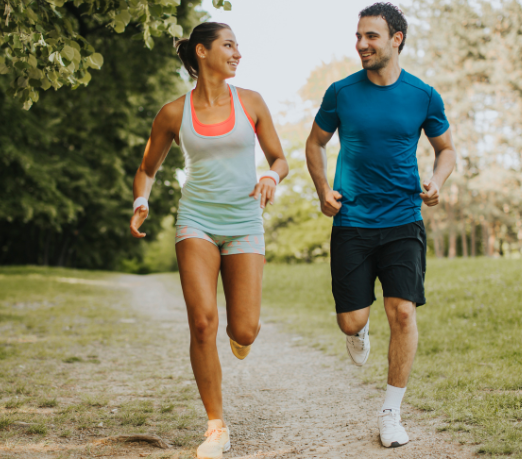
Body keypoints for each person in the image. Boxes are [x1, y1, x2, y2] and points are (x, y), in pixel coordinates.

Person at [129, 22, 288, 459]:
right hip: (196, 220)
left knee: (244, 329)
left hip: (244, 221)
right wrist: (141, 199)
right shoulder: (173, 113)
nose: (238, 53)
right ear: (202, 52)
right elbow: (147, 167)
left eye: (238, 46)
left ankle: (242, 335)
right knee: (202, 322)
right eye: (229, 45)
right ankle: (216, 426)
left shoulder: (251, 102)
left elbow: (279, 158)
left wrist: (271, 176)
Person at [305, 3, 456, 448]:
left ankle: (391, 412)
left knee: (403, 312)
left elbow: (446, 149)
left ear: (396, 39)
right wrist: (322, 189)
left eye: (371, 36)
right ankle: (359, 328)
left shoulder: (423, 95)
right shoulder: (341, 93)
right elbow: (315, 143)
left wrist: (436, 181)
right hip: (352, 220)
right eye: (358, 36)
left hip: (403, 218)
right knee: (350, 320)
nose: (361, 44)